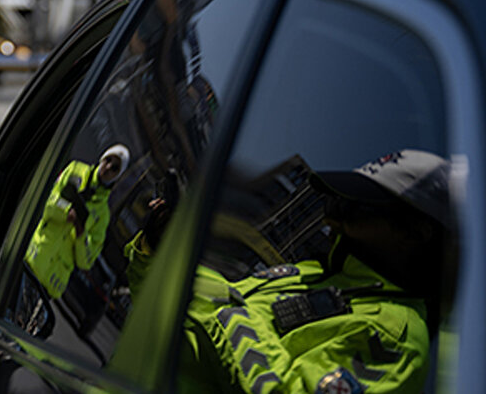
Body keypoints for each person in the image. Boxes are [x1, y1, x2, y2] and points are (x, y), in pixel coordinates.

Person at [124, 150, 456, 394]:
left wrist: (229, 315)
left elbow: (223, 311)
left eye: (355, 206)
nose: (330, 217)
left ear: (416, 231)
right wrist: (159, 251)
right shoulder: (314, 272)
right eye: (334, 200)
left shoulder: (396, 338)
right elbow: (204, 301)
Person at [24, 144, 130, 299]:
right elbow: (46, 202)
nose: (108, 168)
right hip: (32, 260)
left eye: (114, 168)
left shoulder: (103, 215)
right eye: (108, 160)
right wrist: (66, 212)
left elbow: (86, 262)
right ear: (102, 158)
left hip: (50, 284)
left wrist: (81, 234)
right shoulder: (75, 170)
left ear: (117, 176)